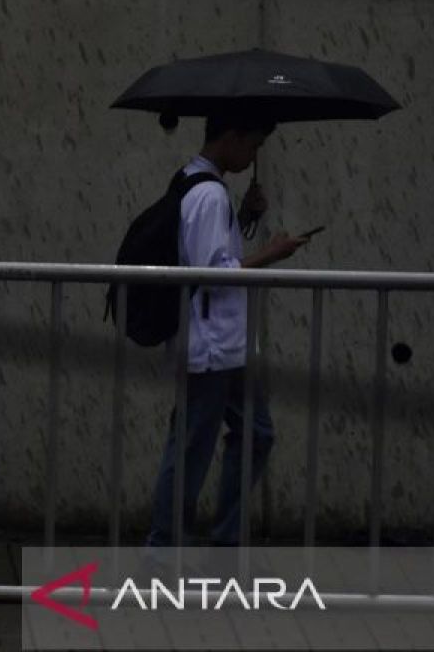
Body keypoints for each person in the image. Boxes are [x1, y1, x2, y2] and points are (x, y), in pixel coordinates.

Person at [146, 114, 308, 547]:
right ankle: (162, 552)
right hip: (212, 345)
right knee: (191, 449)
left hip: (226, 344)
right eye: (253, 145)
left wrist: (245, 216)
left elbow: (205, 252)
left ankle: (222, 542)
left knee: (255, 434)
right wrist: (271, 253)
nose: (254, 155)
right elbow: (213, 273)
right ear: (231, 137)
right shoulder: (208, 194)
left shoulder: (193, 182)